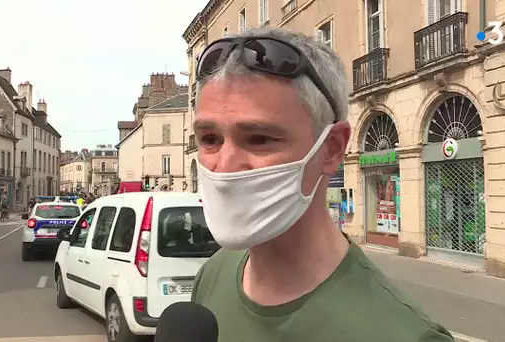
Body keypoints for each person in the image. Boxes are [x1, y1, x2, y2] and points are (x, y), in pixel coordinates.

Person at [191, 27, 454, 342]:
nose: (225, 165)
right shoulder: (213, 274)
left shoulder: (407, 335)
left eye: (259, 139)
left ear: (331, 149)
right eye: (209, 139)